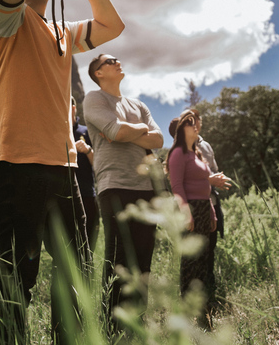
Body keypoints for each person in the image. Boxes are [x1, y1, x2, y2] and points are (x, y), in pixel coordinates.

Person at [0, 0, 124, 344]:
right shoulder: (4, 21)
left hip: (62, 167)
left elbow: (114, 24)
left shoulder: (62, 32)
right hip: (13, 162)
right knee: (19, 271)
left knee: (75, 269)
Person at [82, 53, 164, 337]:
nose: (117, 61)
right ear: (98, 73)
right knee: (118, 261)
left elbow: (158, 139)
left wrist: (129, 131)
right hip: (114, 185)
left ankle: (136, 328)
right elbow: (115, 132)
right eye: (109, 61)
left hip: (146, 189)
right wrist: (134, 131)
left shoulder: (138, 104)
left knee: (143, 263)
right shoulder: (95, 99)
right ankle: (112, 331)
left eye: (117, 59)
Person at [166, 109, 231, 326]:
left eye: (196, 123)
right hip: (190, 209)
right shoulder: (177, 154)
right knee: (190, 261)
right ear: (181, 129)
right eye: (189, 123)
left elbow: (206, 185)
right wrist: (186, 213)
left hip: (205, 208)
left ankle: (202, 311)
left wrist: (212, 212)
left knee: (203, 259)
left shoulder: (197, 154)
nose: (195, 126)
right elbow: (176, 186)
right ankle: (184, 314)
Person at [71, 96, 99, 253]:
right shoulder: (55, 134)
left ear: (73, 109)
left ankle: (86, 277)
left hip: (87, 196)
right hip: (62, 199)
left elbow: (99, 166)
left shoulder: (86, 132)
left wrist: (87, 150)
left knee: (88, 248)